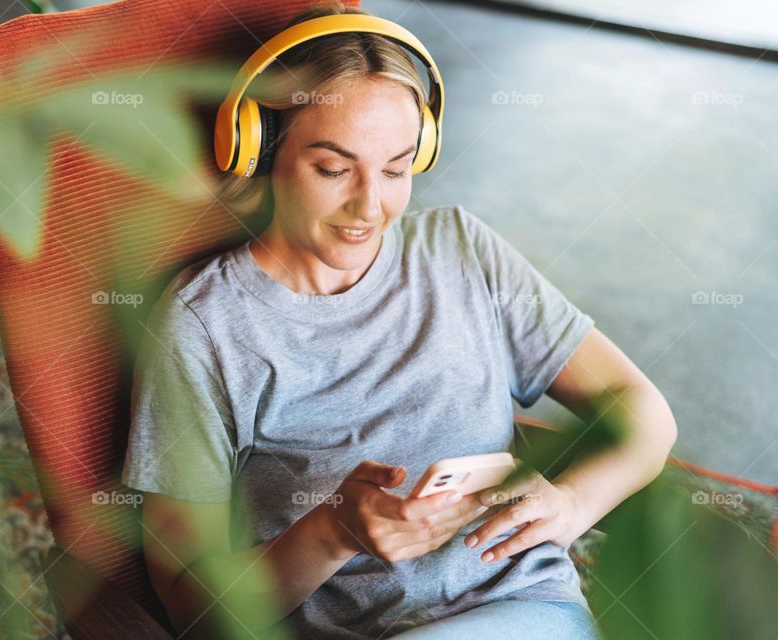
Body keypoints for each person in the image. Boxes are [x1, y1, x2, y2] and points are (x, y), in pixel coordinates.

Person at [121, 3, 678, 639]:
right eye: (333, 169)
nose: (370, 205)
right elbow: (190, 608)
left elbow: (639, 409)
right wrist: (332, 529)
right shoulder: (204, 327)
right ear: (259, 148)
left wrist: (575, 502)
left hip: (524, 611)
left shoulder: (463, 250)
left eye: (395, 168)